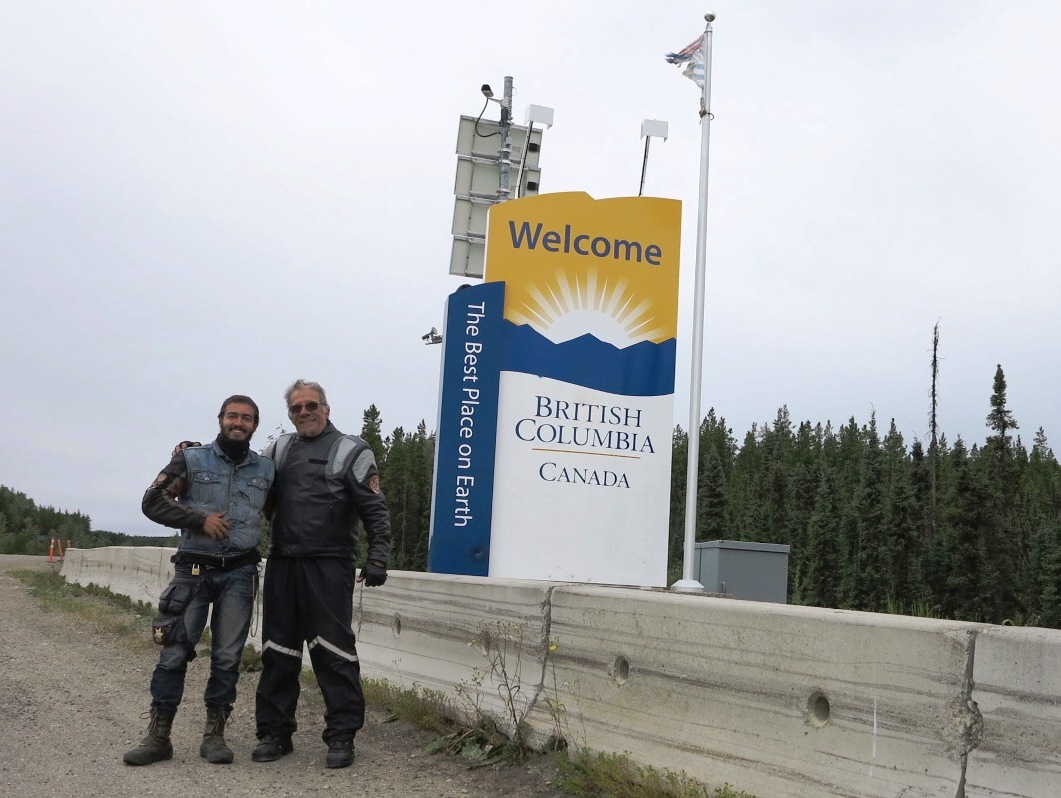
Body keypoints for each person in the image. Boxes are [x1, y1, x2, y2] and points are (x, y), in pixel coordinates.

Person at [124, 395, 275, 767]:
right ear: (220, 419)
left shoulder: (267, 469)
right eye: (232, 416)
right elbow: (152, 501)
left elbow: (283, 511)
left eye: (247, 418)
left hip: (240, 573)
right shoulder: (192, 460)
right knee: (174, 652)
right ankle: (158, 738)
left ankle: (215, 736)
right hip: (192, 571)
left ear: (255, 425)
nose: (238, 423)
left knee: (227, 658)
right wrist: (198, 520)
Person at [252, 379, 391, 769]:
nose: (304, 413)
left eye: (311, 405)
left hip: (330, 565)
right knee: (278, 651)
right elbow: (250, 483)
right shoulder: (278, 449)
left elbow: (375, 508)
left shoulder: (352, 449)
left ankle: (342, 736)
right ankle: (275, 733)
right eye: (296, 408)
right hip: (282, 563)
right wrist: (196, 454)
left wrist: (378, 558)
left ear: (326, 409)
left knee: (334, 652)